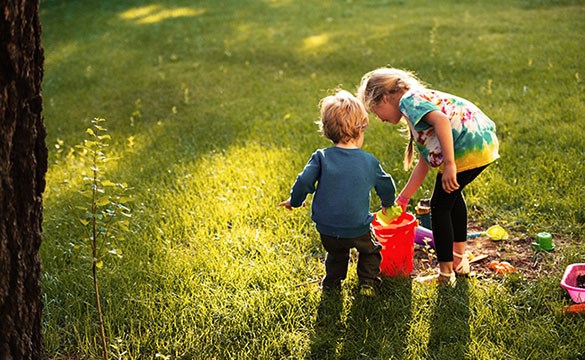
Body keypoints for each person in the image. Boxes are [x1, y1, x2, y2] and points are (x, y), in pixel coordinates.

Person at [357, 67, 500, 285]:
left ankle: (445, 274)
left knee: (440, 206)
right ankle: (460, 262)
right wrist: (403, 198)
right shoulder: (415, 107)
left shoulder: (408, 101)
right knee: (452, 197)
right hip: (481, 142)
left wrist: (450, 164)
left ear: (385, 98)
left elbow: (442, 121)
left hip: (467, 146)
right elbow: (425, 161)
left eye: (376, 111)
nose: (379, 118)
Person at [279, 90, 396, 294]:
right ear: (360, 130)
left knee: (336, 253)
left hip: (327, 227)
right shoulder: (369, 161)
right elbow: (386, 184)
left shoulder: (321, 157)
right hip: (357, 225)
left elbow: (304, 181)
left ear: (327, 131)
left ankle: (332, 283)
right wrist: (388, 203)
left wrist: (295, 201)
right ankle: (368, 283)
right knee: (371, 250)